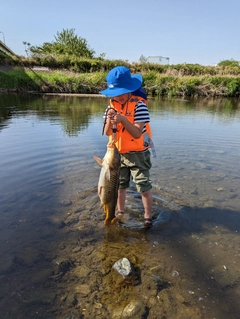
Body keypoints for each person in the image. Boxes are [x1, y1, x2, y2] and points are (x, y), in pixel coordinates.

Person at [99, 66, 154, 229]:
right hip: (117, 155)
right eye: (115, 93)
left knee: (143, 186)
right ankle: (120, 212)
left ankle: (148, 217)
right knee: (119, 186)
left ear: (130, 89)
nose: (118, 97)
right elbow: (107, 131)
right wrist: (110, 119)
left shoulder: (140, 106)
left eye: (122, 92)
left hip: (138, 154)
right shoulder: (111, 106)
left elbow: (137, 133)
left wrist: (123, 120)